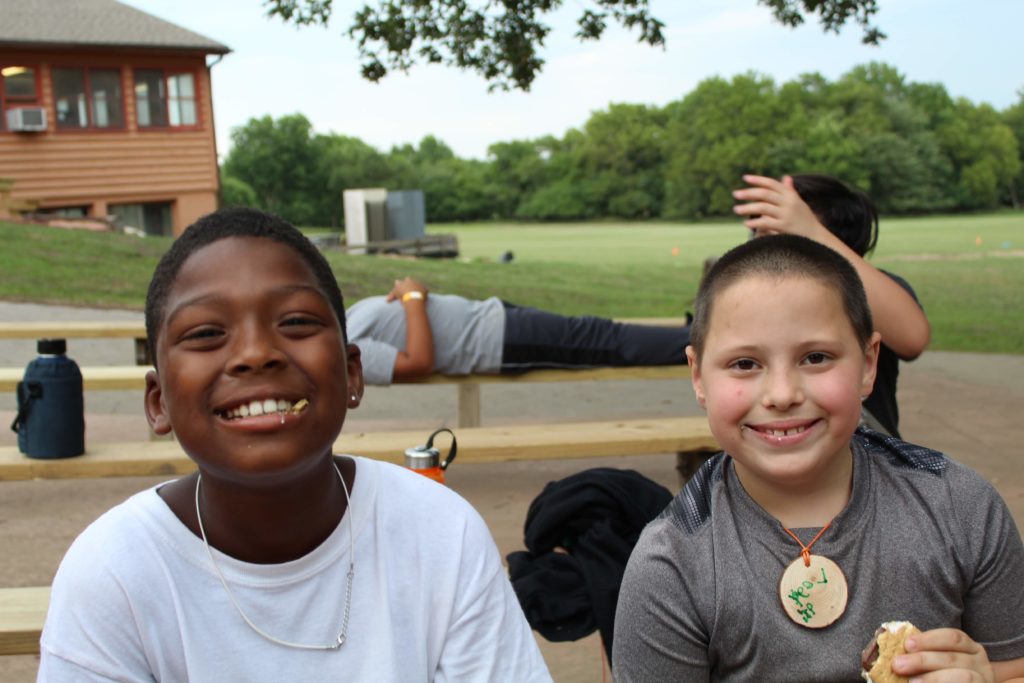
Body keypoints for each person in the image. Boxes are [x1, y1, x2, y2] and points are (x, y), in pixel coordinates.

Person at [38, 208, 552, 682]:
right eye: (206, 332)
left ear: (353, 373)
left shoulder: (441, 533)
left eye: (296, 322)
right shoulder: (113, 574)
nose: (257, 353)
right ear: (158, 402)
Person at [612, 235, 1024, 681]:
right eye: (745, 364)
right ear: (698, 376)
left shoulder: (960, 506)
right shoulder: (672, 563)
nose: (783, 394)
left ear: (868, 365)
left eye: (815, 357)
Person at [733, 173, 930, 438]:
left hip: (864, 462)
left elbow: (912, 338)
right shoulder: (745, 295)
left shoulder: (874, 293)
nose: (769, 249)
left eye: (790, 237)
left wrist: (812, 231)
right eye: (762, 235)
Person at [347, 277, 691, 386]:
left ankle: (690, 337)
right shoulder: (344, 348)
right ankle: (696, 342)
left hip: (495, 317)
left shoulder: (346, 319)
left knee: (598, 333)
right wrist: (413, 298)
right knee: (603, 341)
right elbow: (419, 361)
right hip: (497, 341)